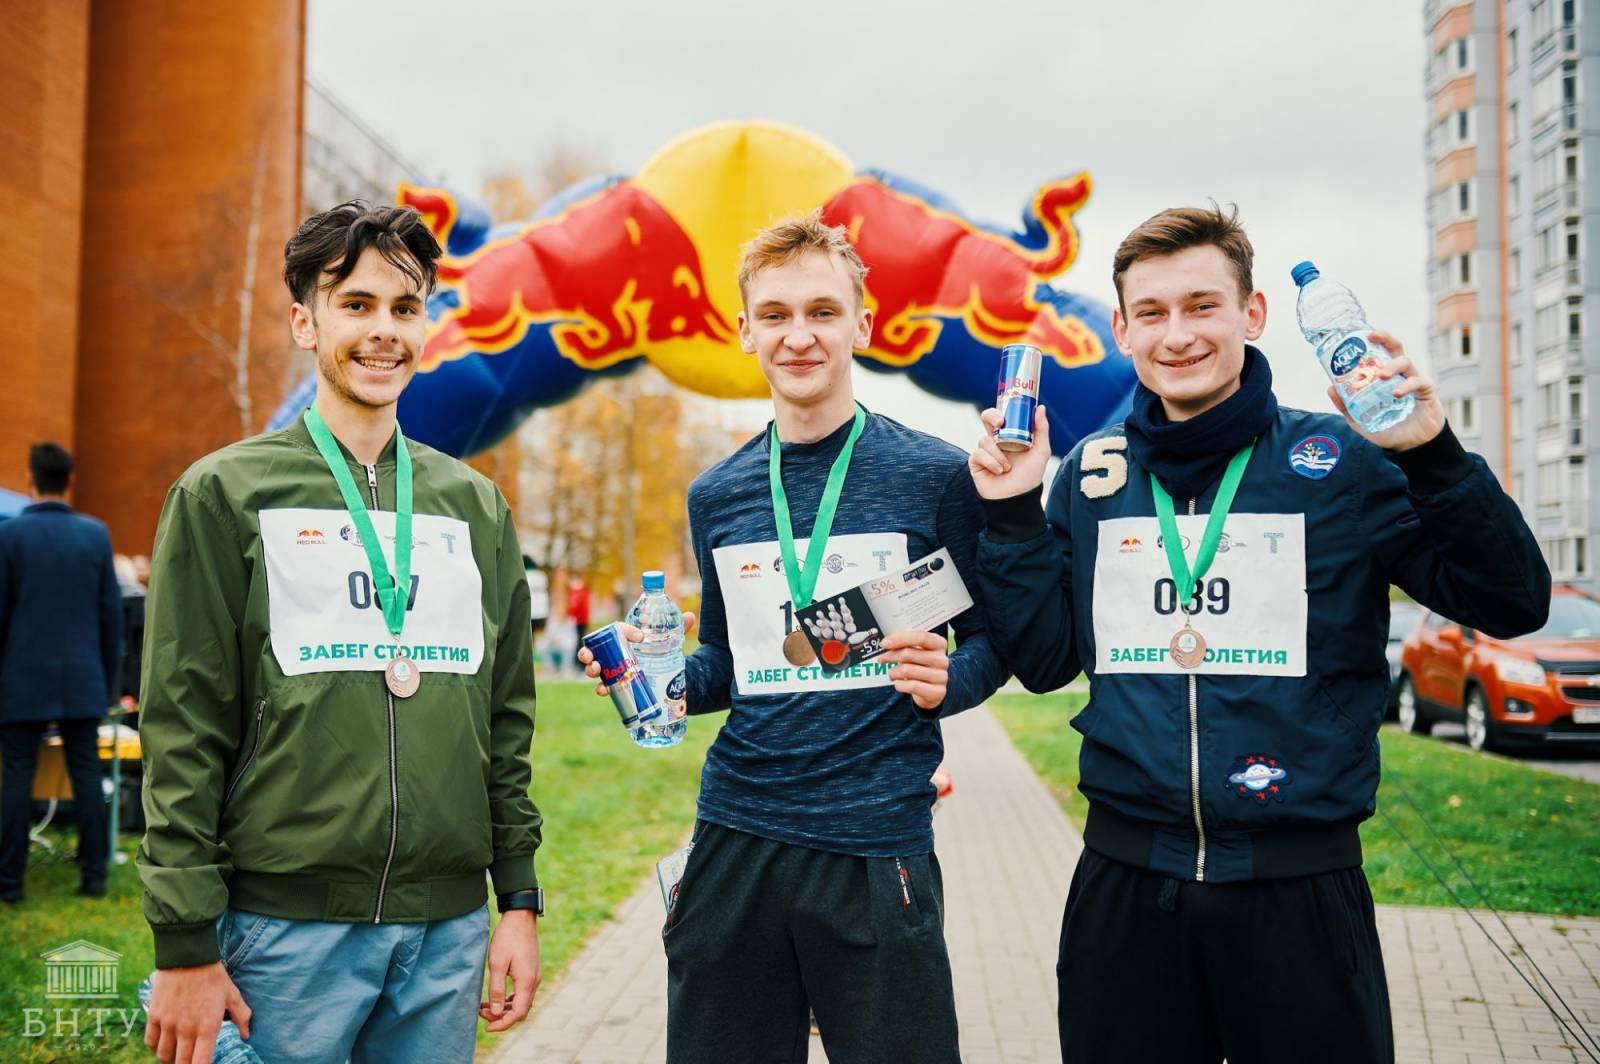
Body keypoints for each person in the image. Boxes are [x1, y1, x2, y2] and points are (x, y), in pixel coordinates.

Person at [967, 204, 1551, 1063]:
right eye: (1154, 314)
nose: (1179, 335)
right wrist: (1013, 516)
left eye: (1203, 305)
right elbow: (1047, 661)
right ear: (1122, 330)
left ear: (1253, 314)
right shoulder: (1092, 474)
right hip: (1127, 893)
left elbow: (1512, 601)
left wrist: (1433, 457)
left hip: (1300, 894)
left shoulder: (1341, 462)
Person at [582, 211, 1006, 1063]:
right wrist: (656, 675)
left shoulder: (935, 475)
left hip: (875, 840)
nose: (799, 336)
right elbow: (737, 666)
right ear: (744, 330)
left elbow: (1002, 640)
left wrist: (947, 683)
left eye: (821, 311)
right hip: (736, 835)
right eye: (775, 315)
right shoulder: (719, 493)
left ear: (863, 323)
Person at [138, 201, 543, 1064]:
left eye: (405, 308)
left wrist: (518, 899)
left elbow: (506, 721)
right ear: (303, 320)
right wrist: (185, 940)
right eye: (356, 304)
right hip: (285, 933)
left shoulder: (475, 506)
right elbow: (183, 724)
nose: (383, 331)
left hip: (446, 933)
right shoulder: (223, 494)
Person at [0, 442, 122, 903]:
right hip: (82, 680)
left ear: (31, 478)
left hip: (20, 680)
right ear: (69, 481)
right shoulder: (95, 536)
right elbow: (111, 619)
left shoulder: (9, 537)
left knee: (17, 778)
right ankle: (94, 879)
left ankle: (9, 886)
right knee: (86, 776)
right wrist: (107, 682)